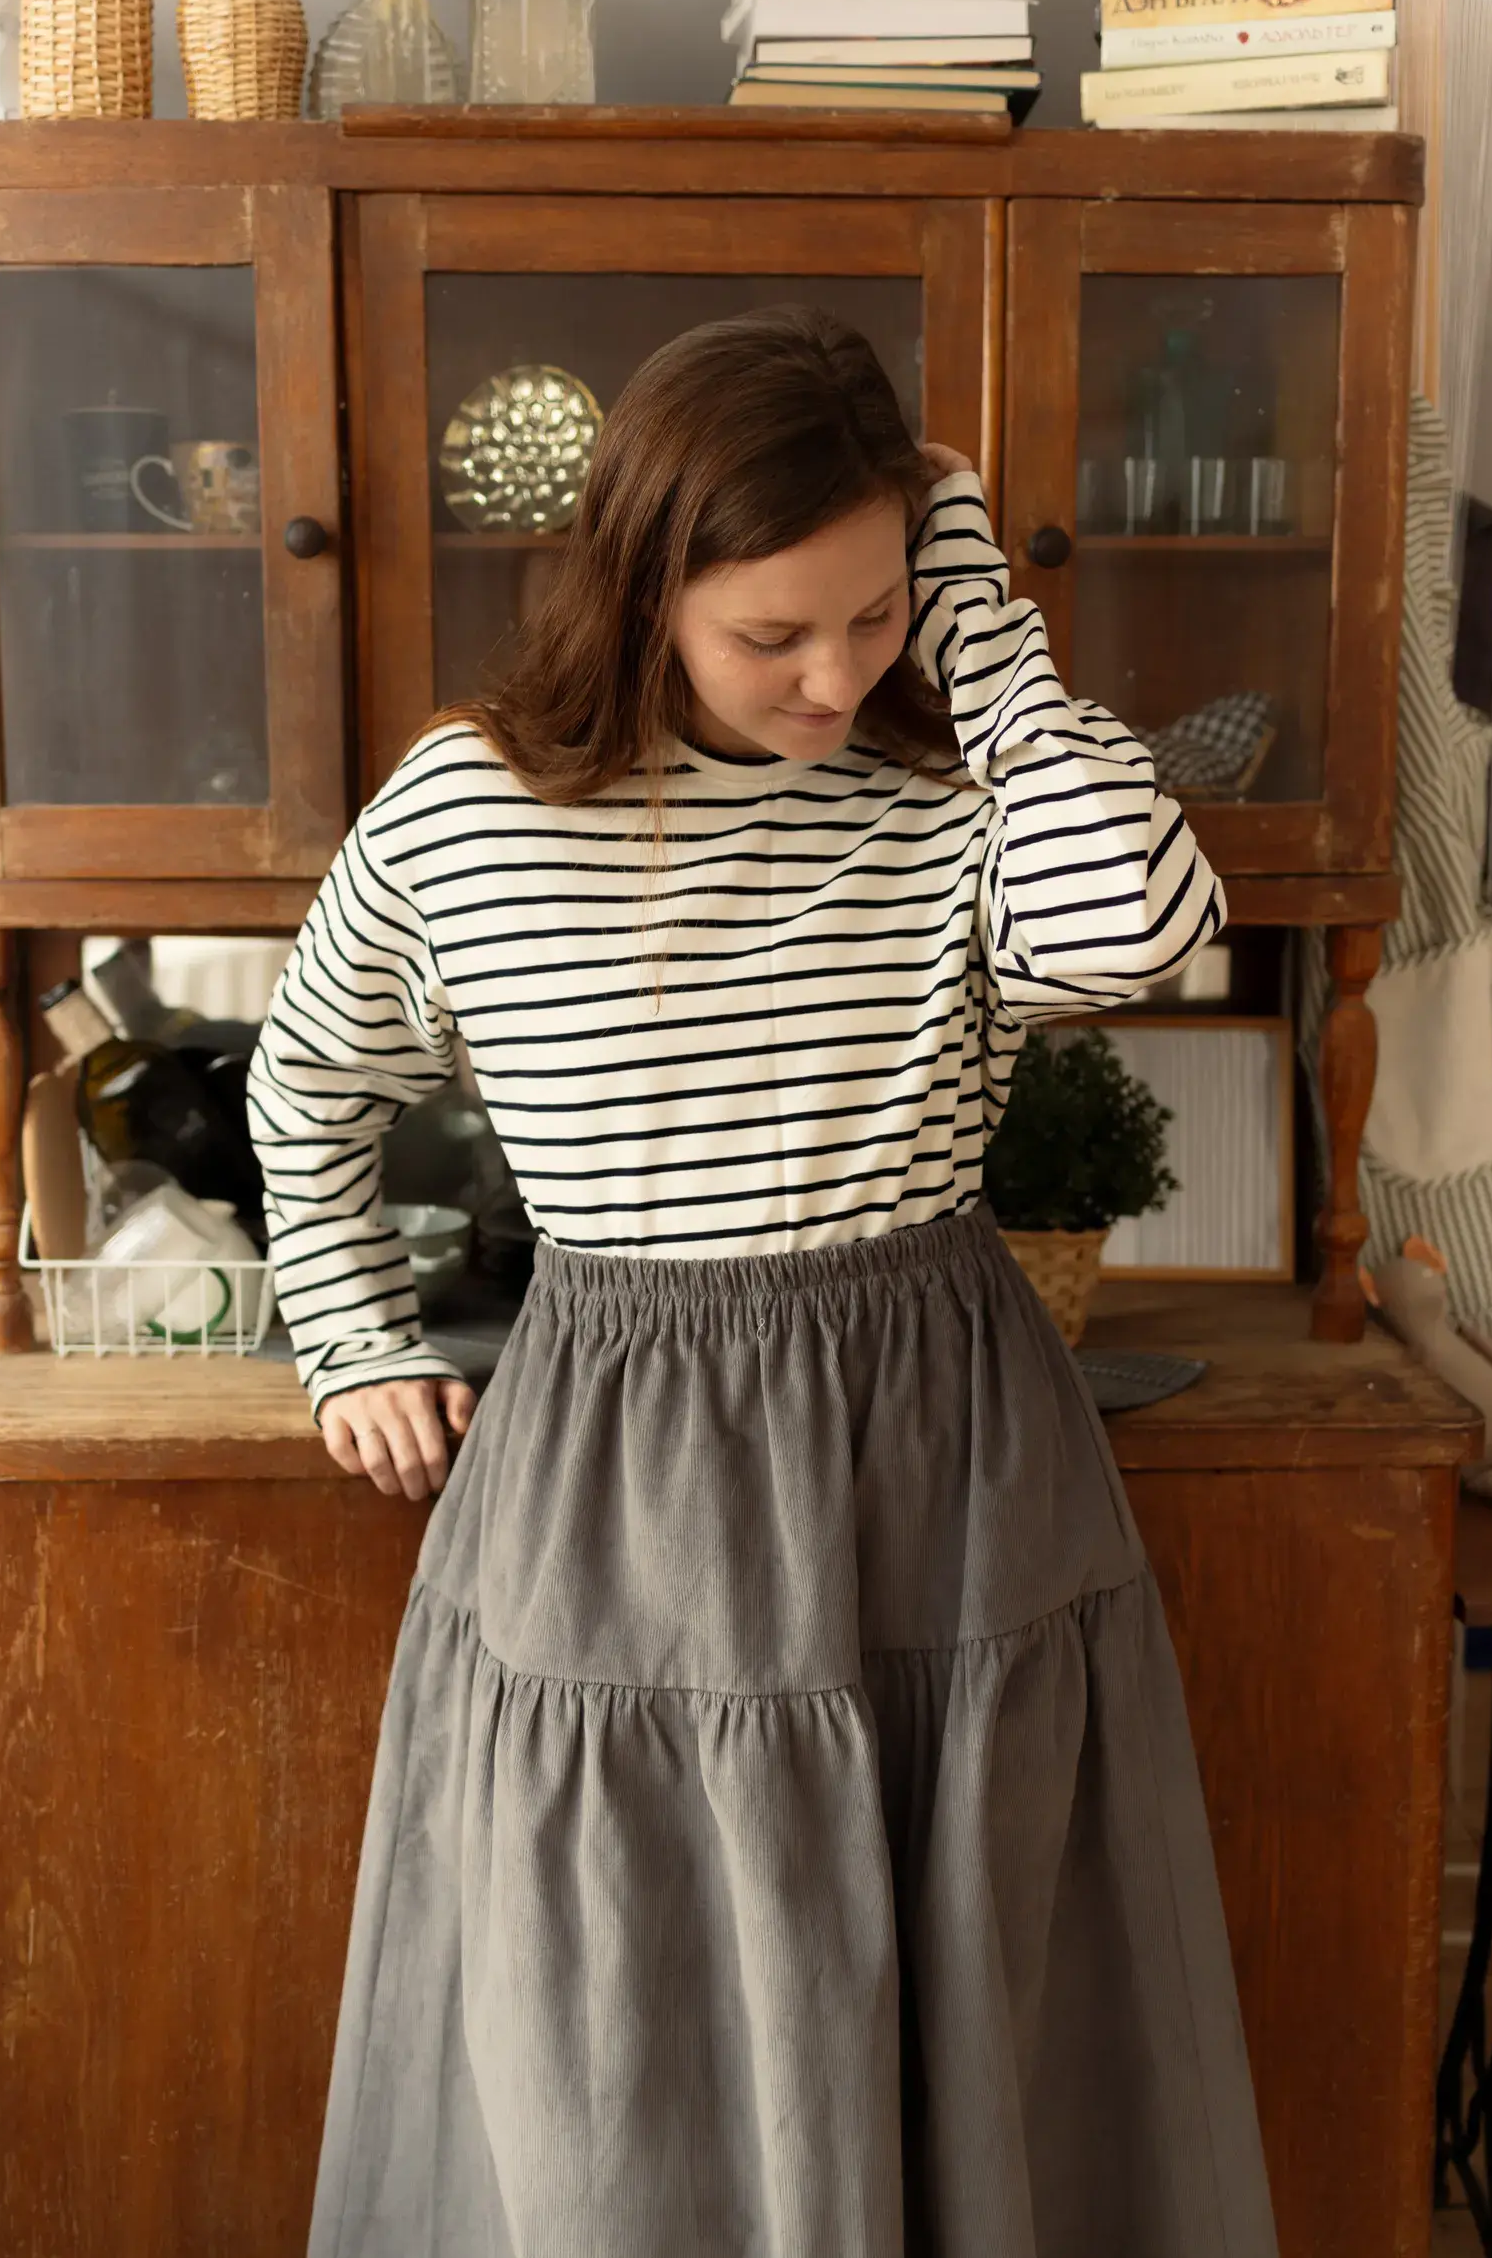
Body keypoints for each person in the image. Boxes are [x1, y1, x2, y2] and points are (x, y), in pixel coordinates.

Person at [249, 305, 1279, 2258]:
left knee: (977, 1994)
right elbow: (308, 1075)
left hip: (945, 1453)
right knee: (616, 2038)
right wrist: (352, 1332)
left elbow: (1134, 931)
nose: (832, 674)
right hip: (621, 1465)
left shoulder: (950, 791)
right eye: (769, 632)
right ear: (643, 590)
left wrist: (977, 618)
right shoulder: (471, 809)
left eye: (873, 612)